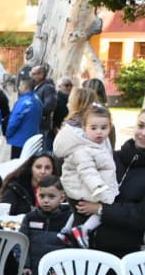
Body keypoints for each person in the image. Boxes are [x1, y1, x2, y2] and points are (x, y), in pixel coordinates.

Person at [81, 103, 145, 259]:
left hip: (121, 252)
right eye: (141, 126)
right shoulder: (113, 156)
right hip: (82, 246)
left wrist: (101, 209)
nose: (144, 133)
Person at [51, 103, 119, 247]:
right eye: (93, 128)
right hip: (89, 189)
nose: (99, 132)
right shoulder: (84, 148)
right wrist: (100, 189)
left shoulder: (98, 144)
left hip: (84, 190)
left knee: (76, 212)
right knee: (108, 208)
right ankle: (84, 230)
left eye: (104, 128)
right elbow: (87, 171)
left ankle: (67, 230)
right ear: (84, 128)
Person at [18, 176, 77, 275]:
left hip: (59, 273)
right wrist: (25, 266)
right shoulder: (30, 218)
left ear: (62, 197)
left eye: (51, 196)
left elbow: (73, 247)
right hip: (33, 272)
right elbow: (21, 243)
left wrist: (65, 267)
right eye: (42, 196)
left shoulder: (69, 219)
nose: (46, 200)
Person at [0, 152, 59, 217]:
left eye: (47, 168)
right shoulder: (16, 188)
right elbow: (4, 214)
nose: (43, 171)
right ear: (31, 168)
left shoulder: (60, 189)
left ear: (53, 170)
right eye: (38, 167)